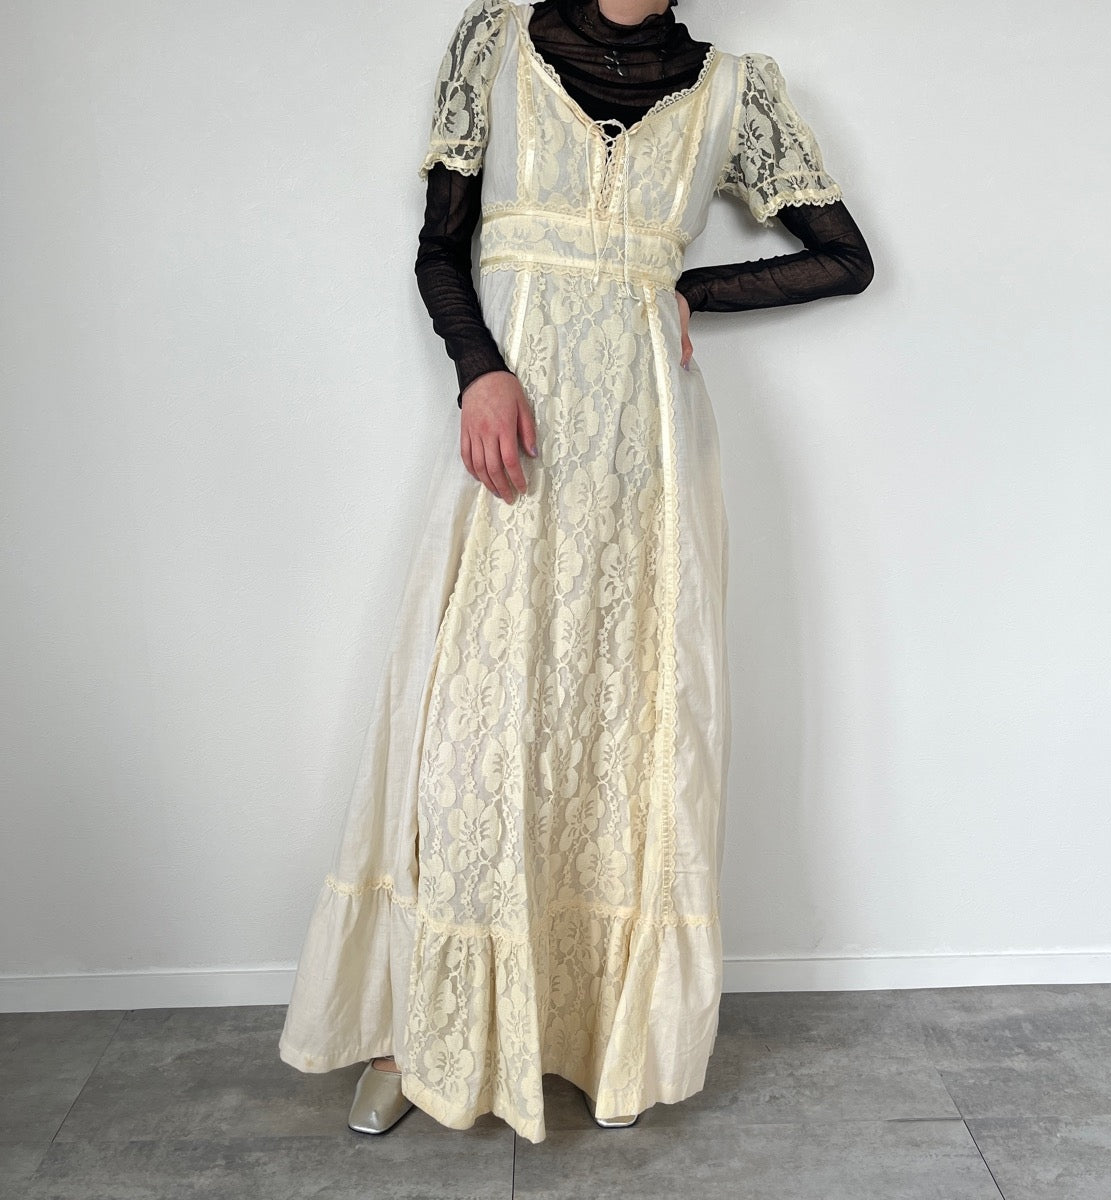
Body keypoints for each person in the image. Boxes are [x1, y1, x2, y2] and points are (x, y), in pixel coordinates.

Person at [278, 0, 873, 1145]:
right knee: (463, 735)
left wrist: (688, 291)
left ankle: (600, 1033)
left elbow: (847, 258)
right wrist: (478, 371)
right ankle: (415, 1033)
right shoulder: (498, 42)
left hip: (647, 462)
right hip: (514, 448)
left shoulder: (732, 90)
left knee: (620, 739)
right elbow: (440, 246)